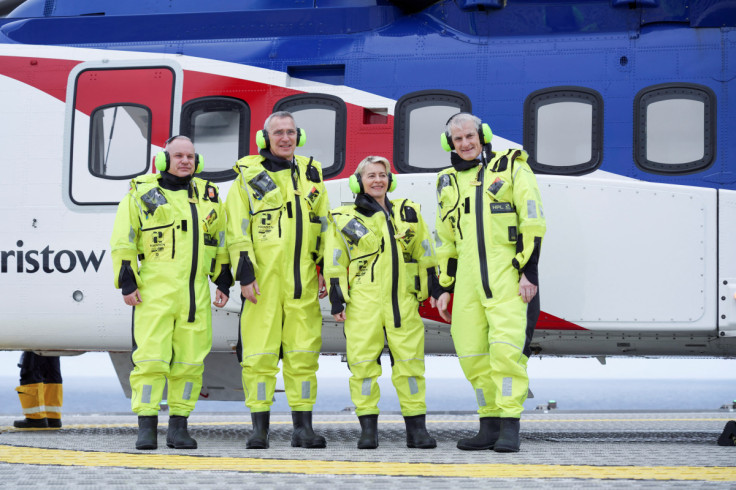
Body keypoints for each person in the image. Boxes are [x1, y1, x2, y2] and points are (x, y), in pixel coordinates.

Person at [432, 113, 546, 452]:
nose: (465, 143)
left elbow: (533, 219)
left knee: (506, 351)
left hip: (506, 273)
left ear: (483, 134)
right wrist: (444, 286)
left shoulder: (511, 166)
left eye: (470, 136)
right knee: (471, 353)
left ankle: (510, 426)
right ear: (449, 144)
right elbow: (444, 238)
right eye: (458, 139)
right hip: (466, 278)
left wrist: (530, 271)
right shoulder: (446, 181)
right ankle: (489, 424)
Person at [110, 135, 232, 450]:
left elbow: (220, 241)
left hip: (195, 294)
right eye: (178, 155)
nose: (185, 161)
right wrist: (127, 280)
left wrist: (222, 280)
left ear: (197, 161)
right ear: (164, 159)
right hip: (154, 291)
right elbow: (124, 239)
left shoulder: (209, 195)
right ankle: (146, 427)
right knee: (151, 359)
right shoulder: (142, 192)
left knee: (190, 362)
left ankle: (179, 428)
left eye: (190, 156)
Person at [225, 111, 329, 449]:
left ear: (298, 137)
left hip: (302, 281)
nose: (285, 138)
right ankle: (260, 429)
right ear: (264, 139)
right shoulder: (247, 176)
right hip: (263, 281)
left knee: (303, 354)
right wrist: (244, 272)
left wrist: (327, 268)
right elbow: (236, 228)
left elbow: (324, 225)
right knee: (259, 355)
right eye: (278, 133)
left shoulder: (311, 174)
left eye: (290, 132)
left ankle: (303, 429)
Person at [325, 155, 437, 450]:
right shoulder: (344, 218)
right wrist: (338, 301)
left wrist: (432, 290)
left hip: (402, 302)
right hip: (364, 303)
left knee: (411, 365)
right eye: (370, 175)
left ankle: (417, 431)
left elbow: (426, 252)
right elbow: (335, 262)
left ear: (390, 180)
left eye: (382, 175)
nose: (377, 180)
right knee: (362, 365)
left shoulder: (408, 212)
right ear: (358, 182)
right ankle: (368, 430)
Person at [13, 352, 62, 428]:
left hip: (36, 341)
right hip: (54, 341)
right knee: (50, 368)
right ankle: (52, 417)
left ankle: (35, 418)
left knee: (30, 369)